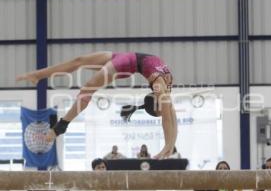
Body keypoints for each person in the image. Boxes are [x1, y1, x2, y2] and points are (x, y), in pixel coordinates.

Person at [16, 51, 177, 159]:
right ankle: (38, 76)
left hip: (128, 58)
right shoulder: (160, 88)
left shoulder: (163, 90)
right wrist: (167, 145)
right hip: (125, 62)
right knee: (79, 63)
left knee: (87, 88)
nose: (165, 109)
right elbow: (168, 119)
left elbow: (171, 116)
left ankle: (60, 126)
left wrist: (170, 145)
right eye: (162, 109)